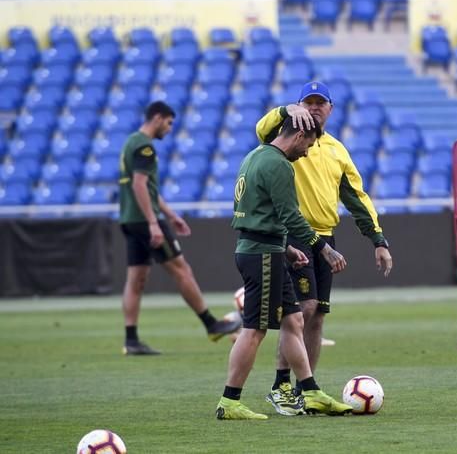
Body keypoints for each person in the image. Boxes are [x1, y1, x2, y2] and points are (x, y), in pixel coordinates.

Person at [255, 81, 393, 414]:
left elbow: (356, 197)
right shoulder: (287, 138)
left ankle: (308, 388)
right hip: (294, 234)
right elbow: (261, 130)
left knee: (317, 317)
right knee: (302, 309)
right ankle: (282, 385)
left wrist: (377, 239)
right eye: (308, 102)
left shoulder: (336, 149)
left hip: (326, 236)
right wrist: (287, 110)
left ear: (330, 109)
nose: (314, 108)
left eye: (321, 103)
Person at [215, 116, 353, 420]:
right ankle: (230, 400)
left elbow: (259, 210)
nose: (306, 153)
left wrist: (287, 249)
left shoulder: (255, 155)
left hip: (265, 249)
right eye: (308, 145)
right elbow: (292, 217)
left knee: (294, 321)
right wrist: (324, 249)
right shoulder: (279, 164)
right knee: (253, 330)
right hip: (262, 254)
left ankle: (311, 390)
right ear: (299, 134)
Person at [118, 101, 241, 356]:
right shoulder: (145, 147)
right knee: (181, 268)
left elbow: (148, 188)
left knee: (136, 278)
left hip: (129, 219)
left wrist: (171, 215)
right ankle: (211, 324)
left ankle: (131, 340)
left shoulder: (131, 141)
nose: (170, 128)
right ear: (158, 118)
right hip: (144, 220)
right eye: (169, 123)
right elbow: (139, 186)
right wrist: (154, 222)